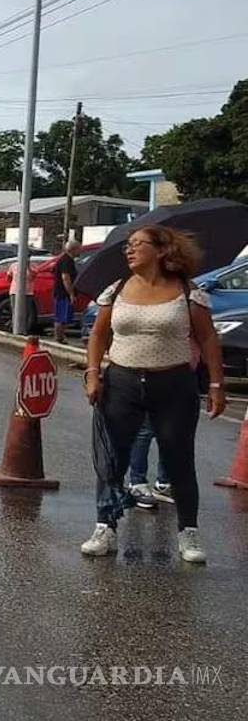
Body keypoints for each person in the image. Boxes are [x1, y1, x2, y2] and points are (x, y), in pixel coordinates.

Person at [82, 225, 226, 563]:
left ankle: (188, 533)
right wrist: (92, 374)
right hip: (121, 383)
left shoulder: (187, 292)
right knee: (112, 461)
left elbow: (207, 340)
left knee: (179, 460)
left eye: (138, 245)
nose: (129, 251)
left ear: (161, 251)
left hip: (174, 386)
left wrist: (217, 386)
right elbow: (98, 336)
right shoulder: (115, 291)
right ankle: (105, 526)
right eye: (127, 246)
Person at [53, 239, 81, 344]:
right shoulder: (66, 261)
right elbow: (65, 277)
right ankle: (59, 337)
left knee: (64, 316)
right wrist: (71, 293)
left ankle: (60, 336)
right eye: (79, 249)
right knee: (61, 316)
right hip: (63, 293)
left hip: (63, 293)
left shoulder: (67, 260)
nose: (80, 251)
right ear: (73, 249)